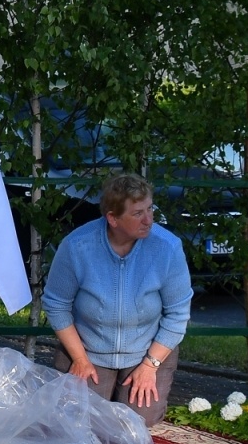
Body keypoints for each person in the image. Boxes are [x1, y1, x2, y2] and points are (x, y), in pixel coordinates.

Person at [40, 172, 192, 425]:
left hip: (146, 351)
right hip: (88, 350)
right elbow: (56, 304)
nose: (148, 220)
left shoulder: (167, 248)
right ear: (112, 218)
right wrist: (79, 358)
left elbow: (178, 314)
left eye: (150, 209)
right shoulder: (77, 246)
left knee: (138, 422)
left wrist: (150, 366)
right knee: (78, 422)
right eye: (137, 213)